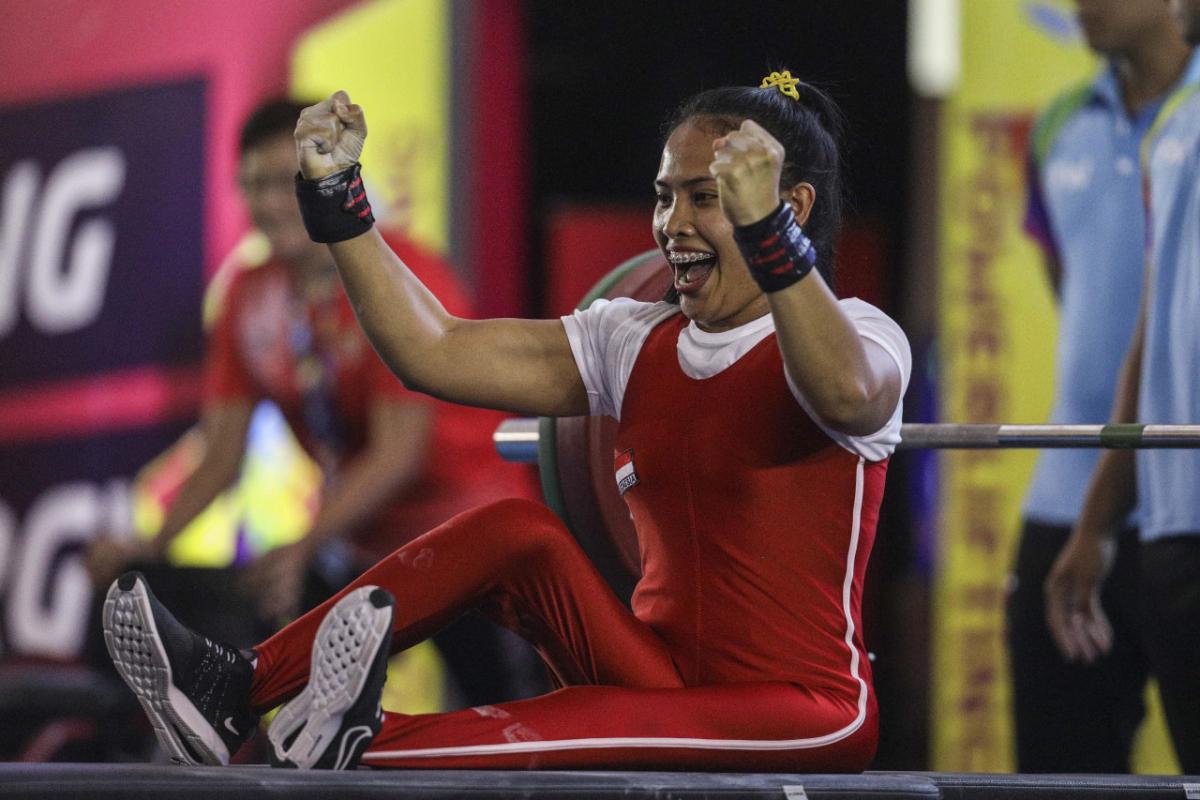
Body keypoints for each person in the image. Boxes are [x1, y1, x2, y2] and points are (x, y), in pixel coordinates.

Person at [102, 72, 911, 772]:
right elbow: (435, 350)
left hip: (799, 711)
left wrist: (769, 233)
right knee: (515, 531)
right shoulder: (632, 339)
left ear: (789, 205)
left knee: (579, 724)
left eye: (709, 199)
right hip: (654, 674)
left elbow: (847, 396)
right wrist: (338, 198)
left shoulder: (860, 332)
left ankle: (320, 747)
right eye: (666, 197)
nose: (673, 225)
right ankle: (234, 689)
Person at [87, 99, 538, 705]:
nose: (267, 203)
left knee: (505, 714)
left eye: (283, 182)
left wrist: (303, 544)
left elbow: (399, 454)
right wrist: (151, 545)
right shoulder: (246, 296)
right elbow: (221, 457)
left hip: (469, 535)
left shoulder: (399, 269)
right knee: (252, 626)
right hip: (360, 541)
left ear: (324, 177)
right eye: (251, 186)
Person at [1006, 0, 1194, 773]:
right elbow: (1086, 300)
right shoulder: (1057, 125)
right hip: (1072, 494)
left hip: (1182, 496)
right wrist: (1094, 515)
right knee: (1059, 773)